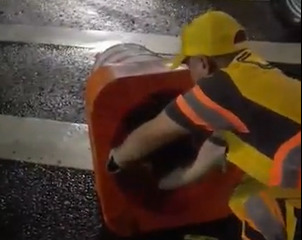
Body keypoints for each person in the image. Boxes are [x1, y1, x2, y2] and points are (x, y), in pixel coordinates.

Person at [106, 10, 301, 240]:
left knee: (254, 204)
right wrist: (167, 183)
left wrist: (116, 159)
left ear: (203, 63)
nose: (190, 74)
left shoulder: (221, 87)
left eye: (189, 65)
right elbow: (212, 150)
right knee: (248, 194)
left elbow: (153, 134)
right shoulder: (256, 71)